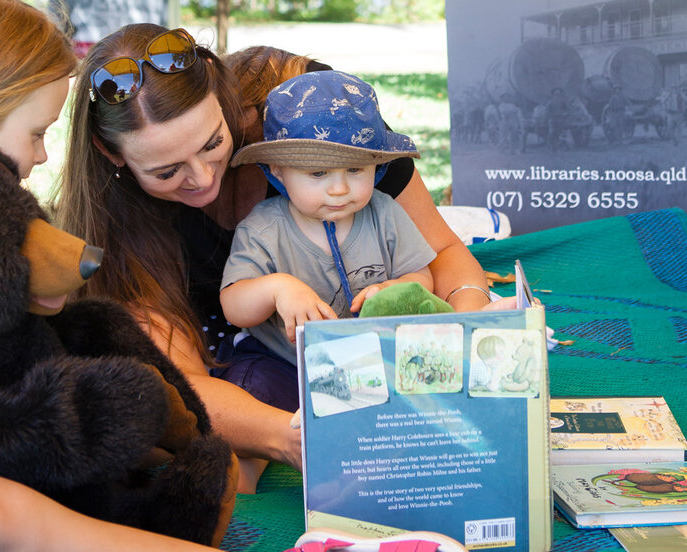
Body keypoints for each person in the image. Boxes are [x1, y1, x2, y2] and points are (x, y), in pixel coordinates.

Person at [0, 0, 473, 552]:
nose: (41, 156)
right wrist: (29, 428)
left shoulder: (307, 121)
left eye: (212, 145)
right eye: (35, 133)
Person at [57, 27, 499, 483]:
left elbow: (443, 252)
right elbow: (184, 386)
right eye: (167, 171)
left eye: (212, 144)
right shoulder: (120, 229)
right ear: (112, 154)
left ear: (221, 95)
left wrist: (463, 338)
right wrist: (295, 439)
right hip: (259, 365)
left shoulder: (321, 117)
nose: (203, 178)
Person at [218, 70, 437, 410]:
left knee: (421, 376)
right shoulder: (263, 228)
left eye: (355, 170)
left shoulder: (384, 213)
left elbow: (421, 276)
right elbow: (233, 307)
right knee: (251, 386)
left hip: (370, 359)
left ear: (376, 167)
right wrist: (277, 288)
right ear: (277, 170)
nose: (339, 188)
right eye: (318, 173)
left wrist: (394, 289)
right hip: (285, 362)